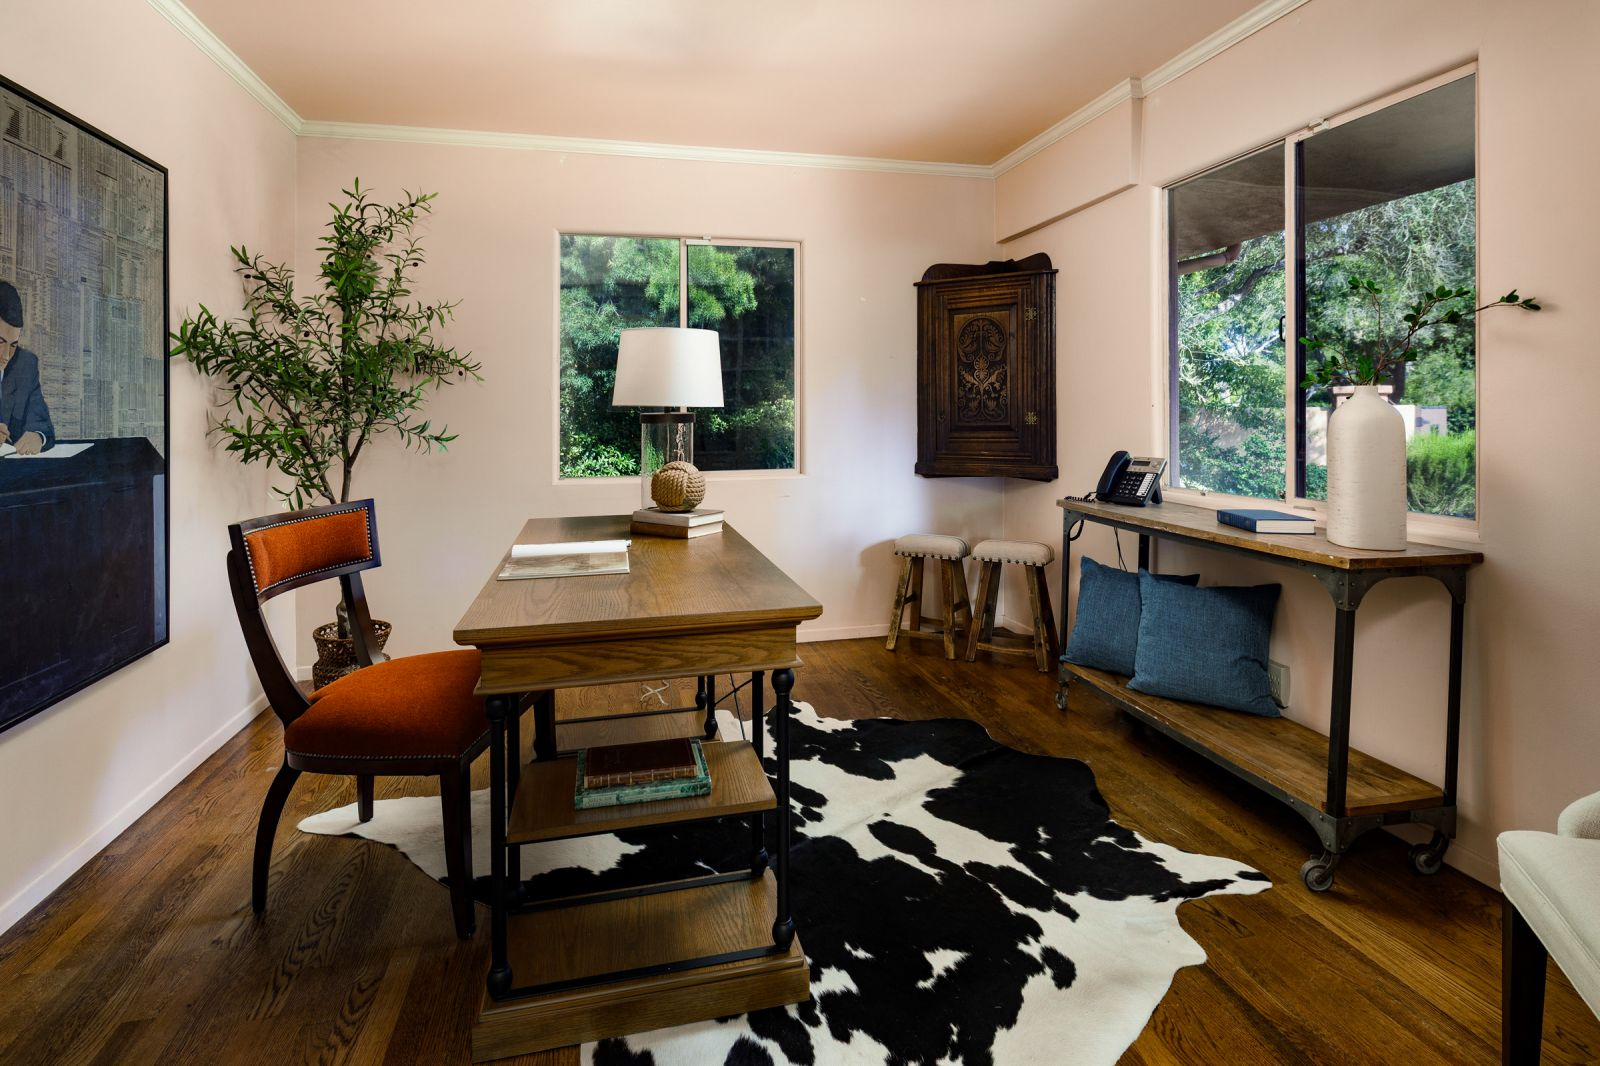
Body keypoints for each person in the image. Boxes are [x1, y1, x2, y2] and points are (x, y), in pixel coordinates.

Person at [0, 280, 54, 455]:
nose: (6, 355)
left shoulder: (25, 364)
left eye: (13, 345)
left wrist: (37, 436)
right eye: (0, 342)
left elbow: (43, 425)